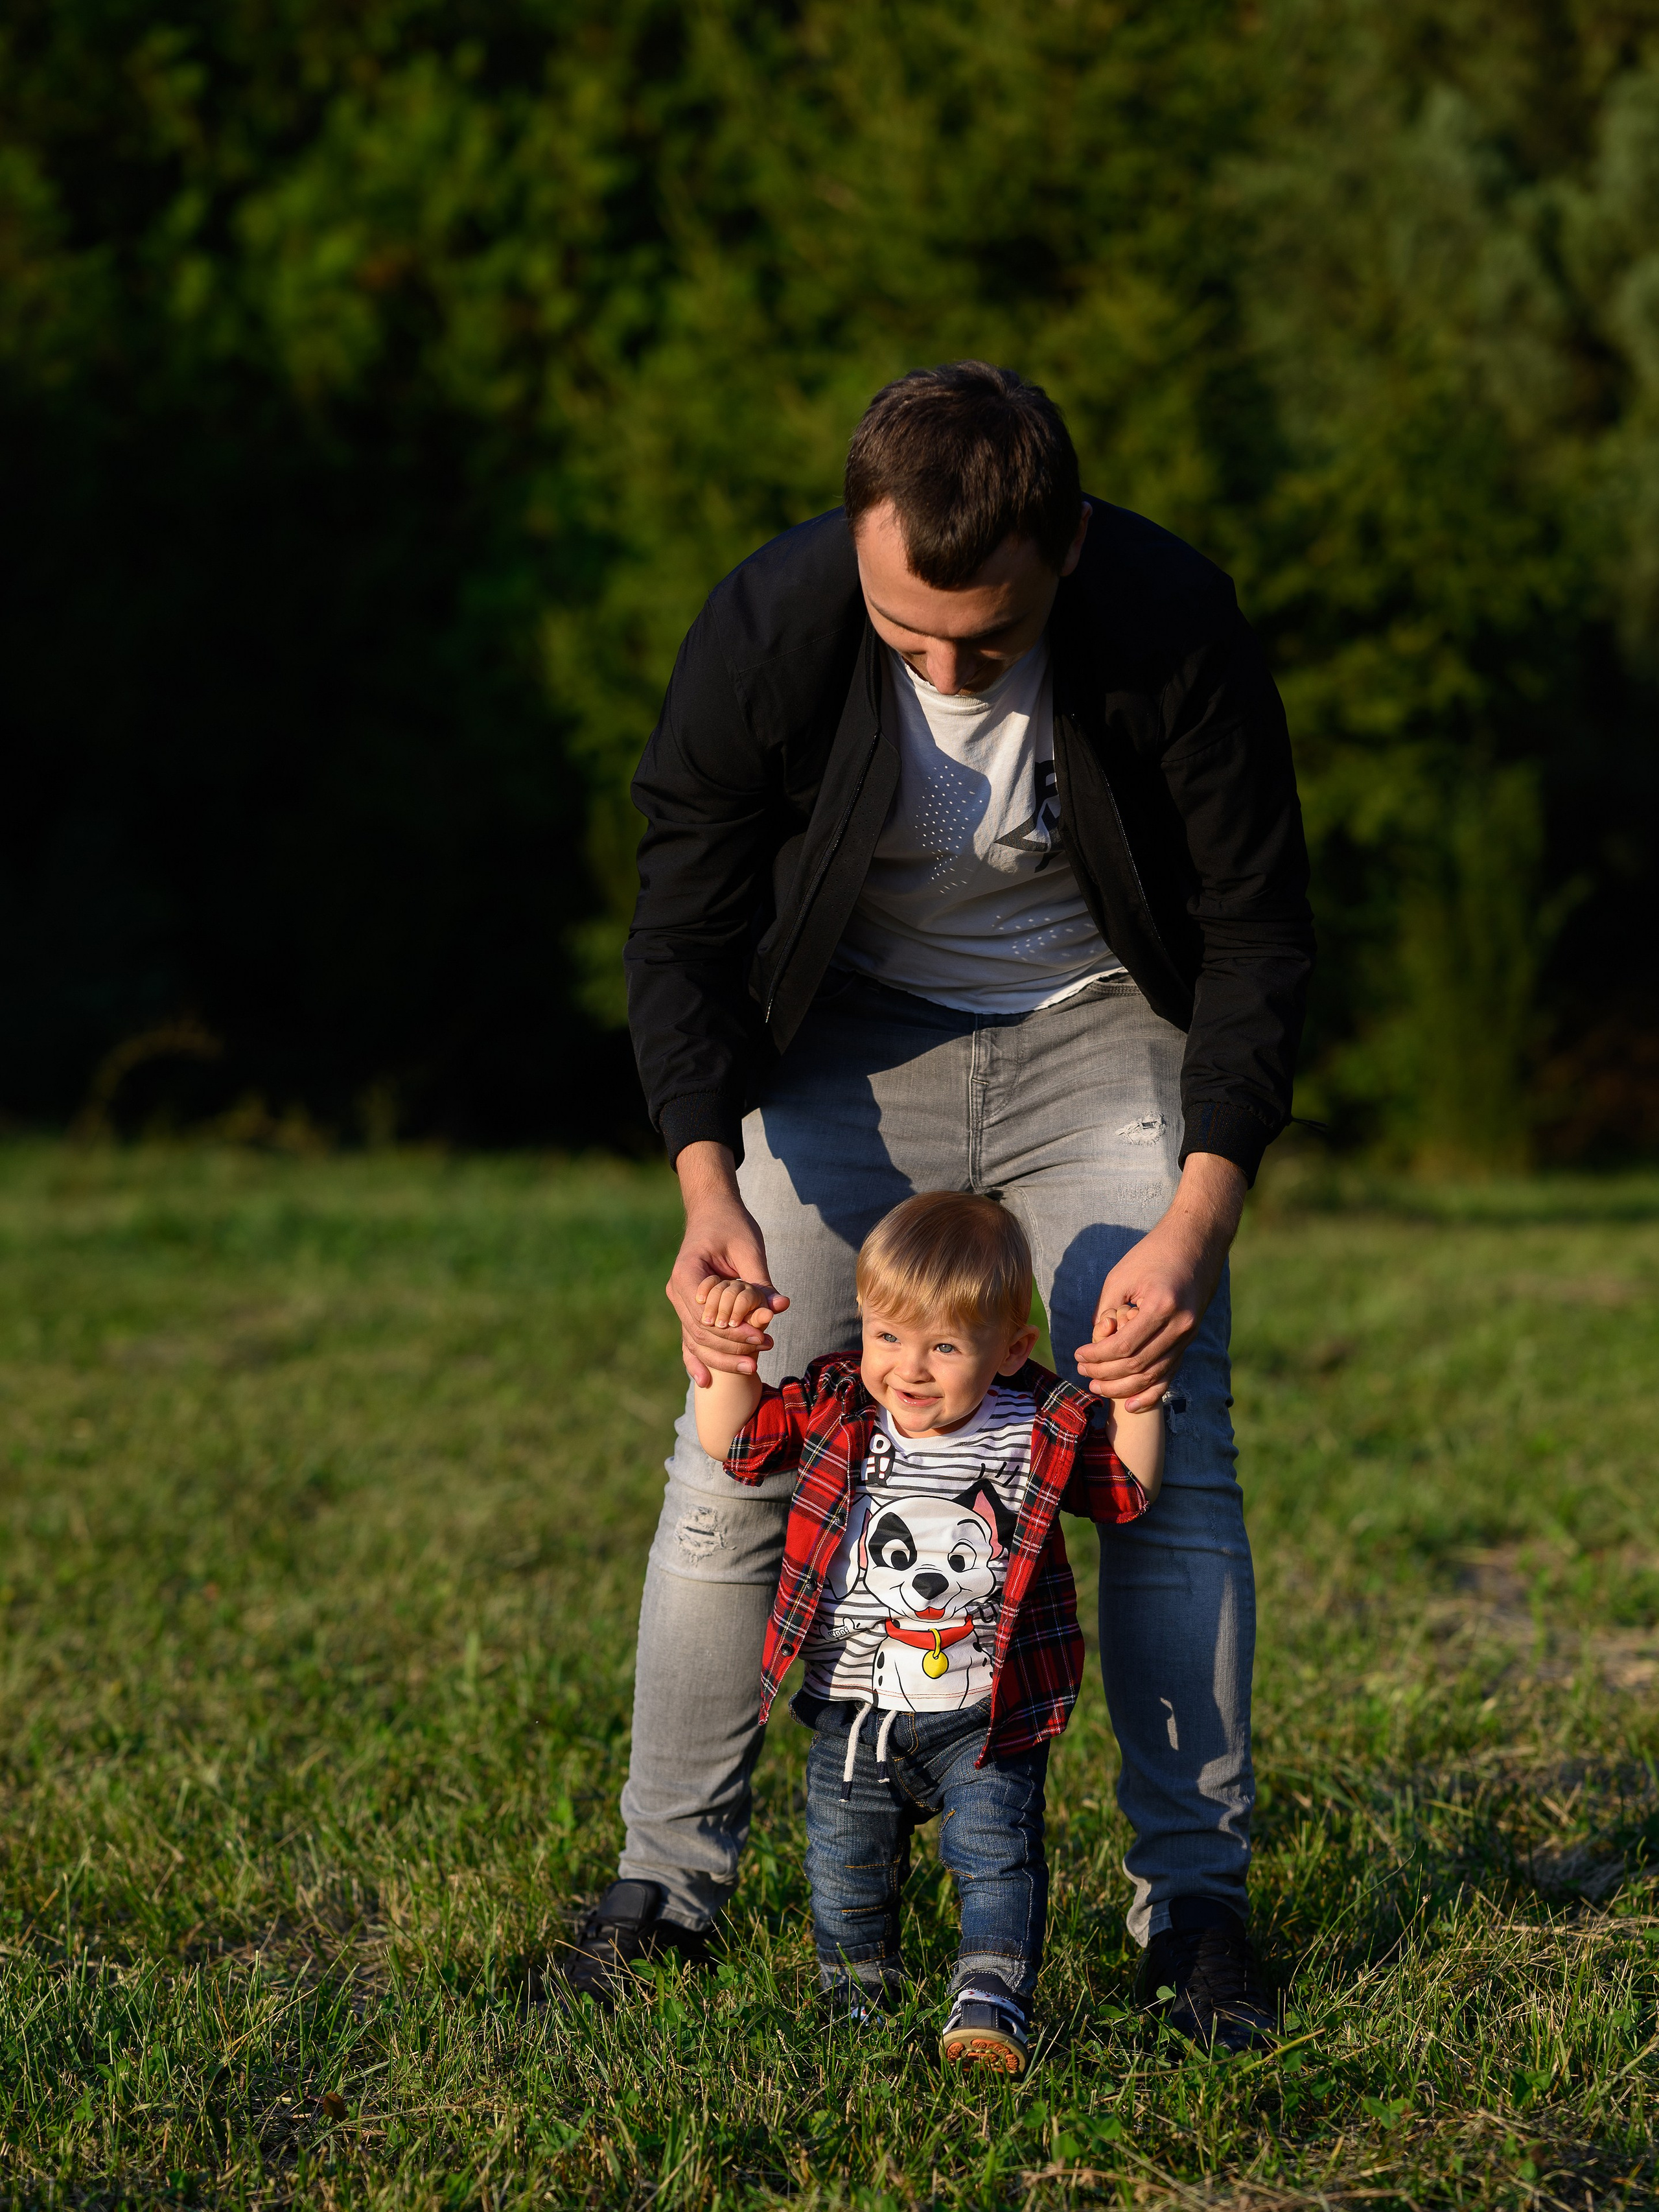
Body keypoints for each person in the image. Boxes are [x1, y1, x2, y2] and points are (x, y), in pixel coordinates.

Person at [561, 362, 1314, 2053]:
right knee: (734, 1418)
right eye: (912, 629)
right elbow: (680, 922)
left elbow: (1261, 932)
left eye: (987, 637)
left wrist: (1193, 1221)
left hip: (1099, 1032)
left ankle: (1194, 1907)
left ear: (1069, 549)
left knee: (1163, 1424)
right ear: (858, 542)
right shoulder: (772, 623)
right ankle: (662, 1888)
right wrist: (706, 1181)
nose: (947, 668)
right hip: (846, 1047)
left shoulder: (1172, 620)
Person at [690, 1190, 1165, 2074]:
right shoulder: (842, 1407)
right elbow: (741, 1442)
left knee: (996, 1859)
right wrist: (727, 1355)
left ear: (1013, 1348)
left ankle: (990, 1998)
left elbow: (1126, 1492)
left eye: (945, 1344)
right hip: (852, 1712)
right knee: (844, 1868)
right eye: (888, 1336)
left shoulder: (1036, 1427)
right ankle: (857, 1997)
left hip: (984, 1716)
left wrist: (1139, 1392)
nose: (909, 1366)